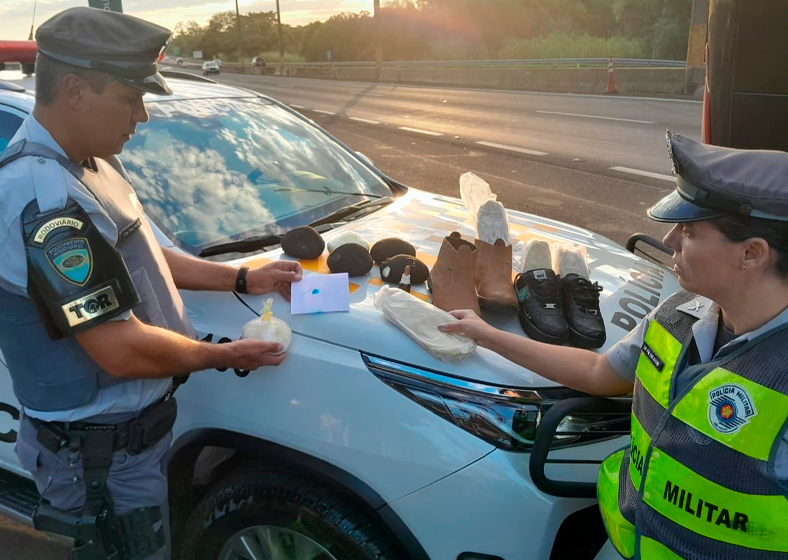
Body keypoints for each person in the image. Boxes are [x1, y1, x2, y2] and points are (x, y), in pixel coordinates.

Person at [0, 7, 302, 560]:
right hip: (97, 459)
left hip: (126, 442)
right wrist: (224, 354)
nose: (141, 115)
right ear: (73, 90)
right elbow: (116, 349)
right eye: (129, 97)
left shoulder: (87, 163)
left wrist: (241, 275)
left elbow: (144, 255)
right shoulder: (44, 198)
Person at [440, 132, 788, 559]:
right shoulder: (680, 313)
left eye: (691, 232)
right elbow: (596, 373)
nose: (671, 241)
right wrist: (488, 334)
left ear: (752, 253)